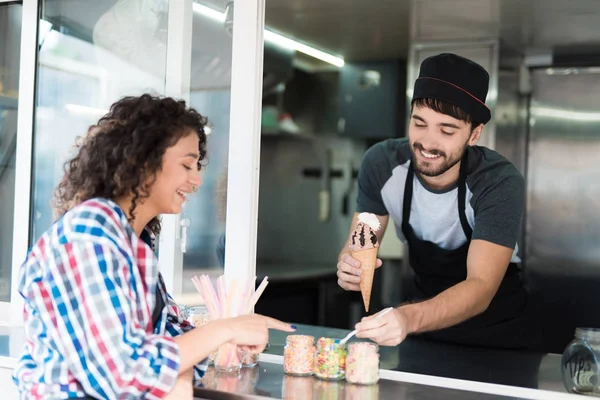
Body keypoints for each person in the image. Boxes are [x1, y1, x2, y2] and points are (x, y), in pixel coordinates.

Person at [13, 94, 295, 399]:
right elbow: (122, 372)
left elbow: (164, 339)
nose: (197, 180)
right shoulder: (88, 236)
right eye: (187, 165)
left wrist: (227, 332)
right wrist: (224, 330)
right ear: (143, 161)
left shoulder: (131, 241)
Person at [337, 53, 540, 350]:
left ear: (474, 134)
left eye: (446, 130)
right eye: (419, 124)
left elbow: (481, 287)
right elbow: (361, 243)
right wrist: (350, 266)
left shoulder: (497, 181)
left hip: (499, 336)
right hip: (425, 330)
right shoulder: (381, 165)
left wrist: (408, 318)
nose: (428, 143)